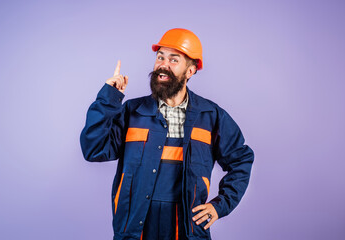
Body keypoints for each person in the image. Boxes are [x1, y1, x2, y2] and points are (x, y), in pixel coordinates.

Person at [80, 28, 254, 240]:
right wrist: (109, 98)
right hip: (135, 229)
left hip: (187, 230)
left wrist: (220, 205)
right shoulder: (132, 112)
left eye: (174, 60)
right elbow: (94, 150)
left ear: (190, 71)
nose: (163, 64)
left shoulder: (211, 116)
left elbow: (241, 160)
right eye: (160, 57)